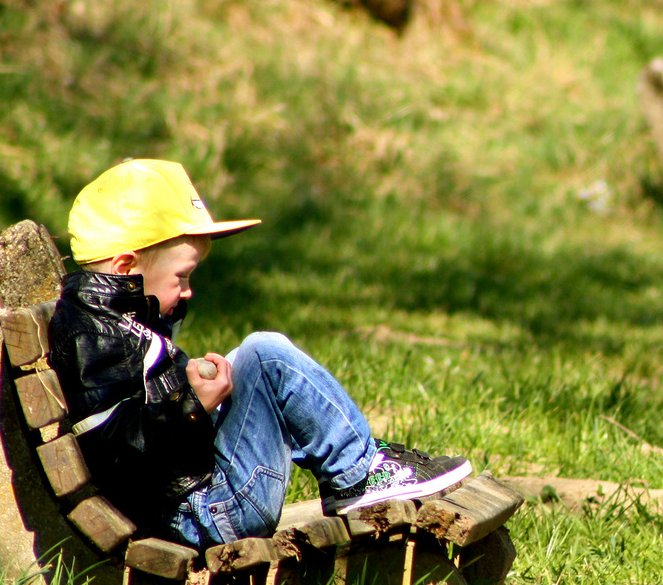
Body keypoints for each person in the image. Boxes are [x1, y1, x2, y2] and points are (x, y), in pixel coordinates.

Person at [49, 159, 471, 549]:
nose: (189, 290)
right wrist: (192, 405)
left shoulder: (114, 315)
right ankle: (358, 474)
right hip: (204, 514)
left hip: (195, 497)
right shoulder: (97, 334)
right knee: (265, 355)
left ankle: (358, 467)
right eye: (183, 276)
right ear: (126, 269)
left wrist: (192, 389)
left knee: (250, 359)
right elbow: (114, 448)